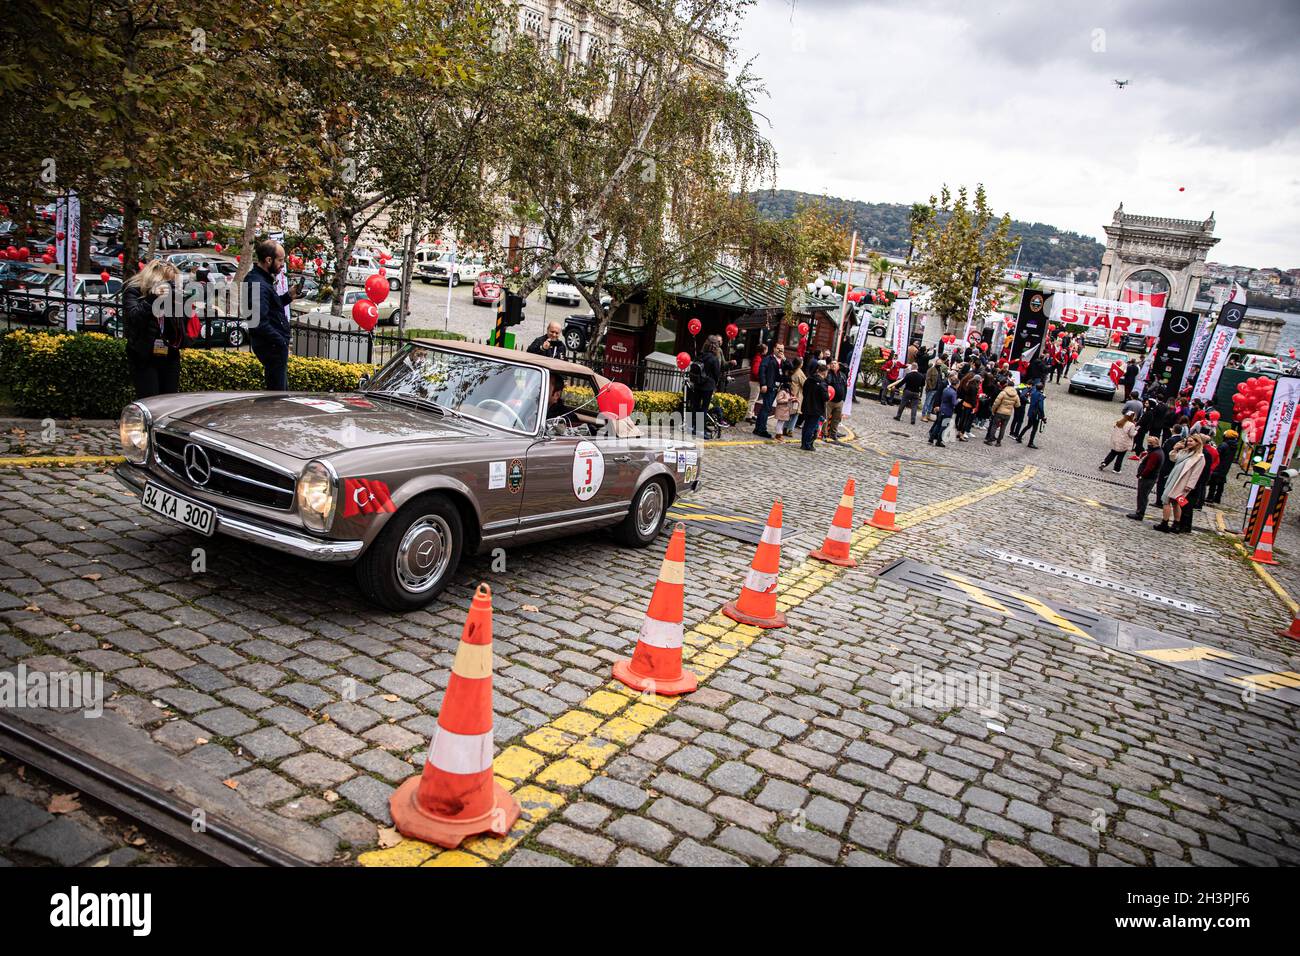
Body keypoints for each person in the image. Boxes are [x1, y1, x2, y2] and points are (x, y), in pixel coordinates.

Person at [123, 259, 185, 398]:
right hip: (144, 354)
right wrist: (152, 299)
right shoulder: (134, 290)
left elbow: (179, 328)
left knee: (169, 401)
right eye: (167, 282)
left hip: (169, 353)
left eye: (172, 283)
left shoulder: (172, 296)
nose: (169, 287)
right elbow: (133, 318)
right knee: (150, 400)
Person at [245, 239, 296, 390]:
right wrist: (281, 341)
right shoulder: (257, 283)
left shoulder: (261, 280)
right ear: (268, 260)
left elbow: (269, 309)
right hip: (272, 347)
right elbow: (258, 322)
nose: (282, 264)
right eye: (280, 260)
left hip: (273, 345)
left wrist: (288, 297)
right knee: (278, 395)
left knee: (278, 392)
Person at [1154, 434, 1208, 533]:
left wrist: (1190, 485)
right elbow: (1173, 458)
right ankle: (1176, 524)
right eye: (1188, 441)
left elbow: (1196, 473)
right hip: (1174, 479)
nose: (1189, 442)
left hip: (1183, 483)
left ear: (1197, 443)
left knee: (1169, 500)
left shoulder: (1200, 457)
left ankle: (1165, 523)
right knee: (1175, 502)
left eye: (1191, 441)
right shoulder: (1184, 451)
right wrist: (1175, 449)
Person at [1128, 435, 1165, 520]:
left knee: (1142, 495)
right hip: (1150, 477)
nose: (1148, 444)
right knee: (1143, 495)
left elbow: (1149, 467)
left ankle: (1140, 513)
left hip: (1148, 478)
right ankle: (1139, 512)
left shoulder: (1155, 454)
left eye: (1149, 443)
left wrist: (1142, 475)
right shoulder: (1158, 452)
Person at [800, 362, 830, 451]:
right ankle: (807, 444)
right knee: (811, 427)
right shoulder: (822, 383)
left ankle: (803, 443)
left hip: (806, 405)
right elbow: (825, 397)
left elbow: (804, 391)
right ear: (824, 372)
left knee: (806, 425)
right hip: (816, 408)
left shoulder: (809, 379)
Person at [984, 377, 1020, 446]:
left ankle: (990, 440)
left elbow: (996, 403)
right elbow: (1018, 405)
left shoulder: (1003, 393)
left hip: (1000, 412)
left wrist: (993, 410)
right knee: (1003, 428)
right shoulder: (1016, 395)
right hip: (1008, 414)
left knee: (994, 426)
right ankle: (998, 442)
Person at [753, 343, 779, 438]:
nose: (780, 351)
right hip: (768, 386)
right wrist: (763, 383)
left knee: (765, 408)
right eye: (778, 349)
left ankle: (758, 428)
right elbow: (761, 371)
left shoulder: (781, 361)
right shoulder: (768, 359)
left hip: (775, 387)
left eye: (782, 350)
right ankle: (761, 429)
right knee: (766, 408)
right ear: (774, 349)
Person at [1206, 429, 1238, 504]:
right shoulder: (1234, 446)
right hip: (1225, 467)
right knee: (1221, 483)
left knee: (1213, 482)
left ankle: (1210, 497)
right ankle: (1217, 498)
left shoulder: (1224, 445)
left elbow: (1217, 454)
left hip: (1218, 466)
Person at [928, 373, 959, 448]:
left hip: (942, 409)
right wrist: (959, 400)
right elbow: (954, 403)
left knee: (938, 425)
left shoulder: (946, 389)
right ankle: (939, 441)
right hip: (948, 411)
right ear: (956, 384)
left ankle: (931, 438)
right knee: (943, 426)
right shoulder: (953, 393)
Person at [1014, 380, 1045, 448]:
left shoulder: (1033, 392)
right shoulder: (1040, 396)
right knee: (1034, 429)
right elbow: (1041, 407)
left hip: (1030, 412)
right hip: (1036, 414)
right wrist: (1043, 416)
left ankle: (1019, 437)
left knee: (1028, 425)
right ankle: (1030, 442)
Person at [783, 356, 805, 439]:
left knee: (788, 412)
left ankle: (784, 428)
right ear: (800, 364)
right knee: (795, 413)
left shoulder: (790, 370)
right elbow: (804, 384)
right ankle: (790, 429)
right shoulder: (799, 372)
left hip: (789, 393)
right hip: (797, 395)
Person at [825, 360, 848, 439]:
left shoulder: (842, 375)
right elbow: (826, 384)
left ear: (838, 366)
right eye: (831, 363)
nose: (833, 365)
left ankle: (833, 433)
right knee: (826, 418)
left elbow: (845, 387)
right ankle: (824, 433)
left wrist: (843, 399)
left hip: (839, 401)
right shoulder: (828, 374)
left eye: (835, 363)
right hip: (829, 401)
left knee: (836, 419)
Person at [921, 354, 946, 422]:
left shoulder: (939, 370)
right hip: (931, 389)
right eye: (938, 364)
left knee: (931, 404)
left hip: (937, 389)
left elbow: (940, 378)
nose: (939, 365)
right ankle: (923, 415)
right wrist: (931, 387)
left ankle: (928, 415)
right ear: (936, 363)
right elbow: (928, 378)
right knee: (927, 402)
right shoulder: (931, 369)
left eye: (940, 364)